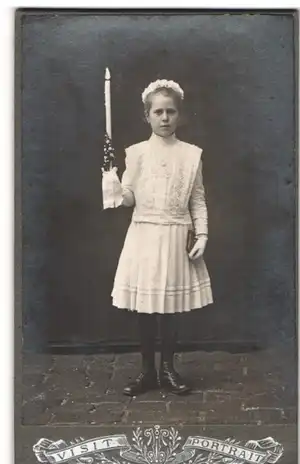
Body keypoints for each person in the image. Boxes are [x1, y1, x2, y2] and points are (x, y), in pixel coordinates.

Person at [104, 79, 213, 397]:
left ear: (179, 115)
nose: (165, 118)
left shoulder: (192, 155)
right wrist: (112, 188)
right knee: (146, 309)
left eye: (171, 111)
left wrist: (202, 234)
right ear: (147, 116)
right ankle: (147, 371)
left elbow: (198, 199)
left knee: (170, 308)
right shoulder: (136, 154)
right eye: (158, 112)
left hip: (176, 236)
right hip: (145, 235)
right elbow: (128, 198)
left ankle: (168, 368)